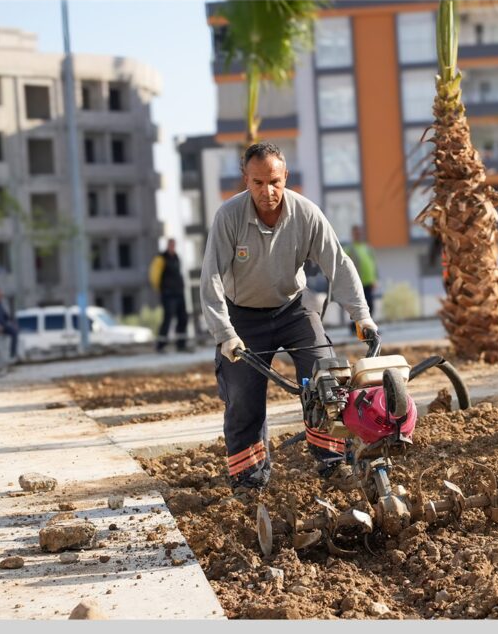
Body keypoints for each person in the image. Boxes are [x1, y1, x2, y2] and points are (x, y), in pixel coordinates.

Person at [200, 142, 377, 491]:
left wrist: (362, 316)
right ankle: (249, 481)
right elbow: (212, 280)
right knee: (244, 399)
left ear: (286, 178)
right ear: (246, 181)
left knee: (327, 377)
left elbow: (337, 263)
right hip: (243, 317)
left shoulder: (306, 214)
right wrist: (225, 334)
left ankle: (334, 465)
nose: (268, 191)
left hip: (294, 308)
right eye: (258, 183)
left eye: (275, 182)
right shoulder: (229, 216)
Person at [150, 238, 189, 352]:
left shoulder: (176, 257)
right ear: (168, 245)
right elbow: (154, 275)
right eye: (171, 245)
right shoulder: (161, 258)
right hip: (168, 294)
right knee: (168, 318)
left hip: (178, 293)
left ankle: (181, 344)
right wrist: (161, 289)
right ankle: (161, 345)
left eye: (174, 245)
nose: (172, 247)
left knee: (183, 317)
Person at [344, 225, 379, 333]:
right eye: (356, 233)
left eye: (359, 232)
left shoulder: (367, 248)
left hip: (369, 282)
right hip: (357, 283)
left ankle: (359, 327)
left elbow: (373, 264)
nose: (358, 234)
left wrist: (375, 279)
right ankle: (363, 329)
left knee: (370, 306)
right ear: (353, 234)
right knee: (362, 307)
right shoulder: (349, 249)